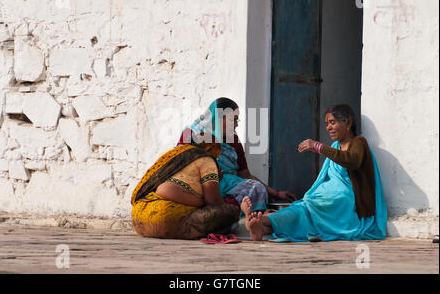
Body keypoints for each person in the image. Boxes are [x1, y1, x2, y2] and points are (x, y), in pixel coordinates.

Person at [243, 104, 387, 242]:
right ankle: (262, 227)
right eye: (327, 124)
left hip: (345, 197)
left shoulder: (359, 142)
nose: (328, 127)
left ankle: (263, 220)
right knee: (303, 206)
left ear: (348, 123)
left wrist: (318, 146)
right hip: (327, 193)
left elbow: (352, 161)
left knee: (310, 208)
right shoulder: (335, 146)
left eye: (332, 122)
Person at [177, 98, 296, 215]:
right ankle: (221, 210)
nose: (236, 125)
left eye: (236, 120)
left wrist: (277, 193)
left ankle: (227, 211)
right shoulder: (191, 134)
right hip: (200, 184)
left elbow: (245, 175)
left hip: (228, 187)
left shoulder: (233, 140)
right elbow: (177, 164)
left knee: (256, 188)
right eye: (232, 120)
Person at [131, 137, 240, 239]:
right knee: (230, 212)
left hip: (139, 220)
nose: (217, 159)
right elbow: (213, 201)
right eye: (217, 155)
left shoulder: (175, 154)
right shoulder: (206, 159)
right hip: (164, 220)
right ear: (212, 149)